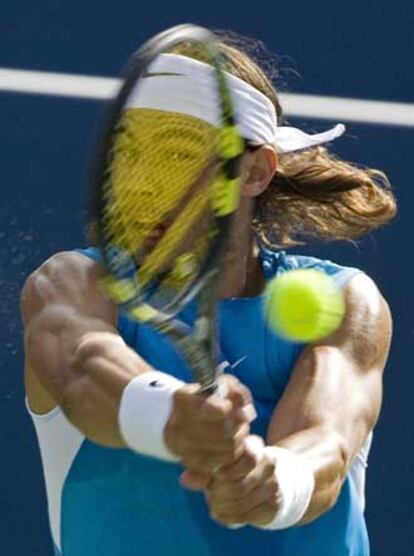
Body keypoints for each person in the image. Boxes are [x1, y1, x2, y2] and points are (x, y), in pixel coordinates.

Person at [21, 34, 396, 556]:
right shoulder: (71, 285)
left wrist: (273, 481)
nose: (143, 184)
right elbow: (85, 370)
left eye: (175, 154)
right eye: (128, 154)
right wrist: (170, 414)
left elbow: (326, 444)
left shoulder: (348, 301)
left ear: (256, 171)